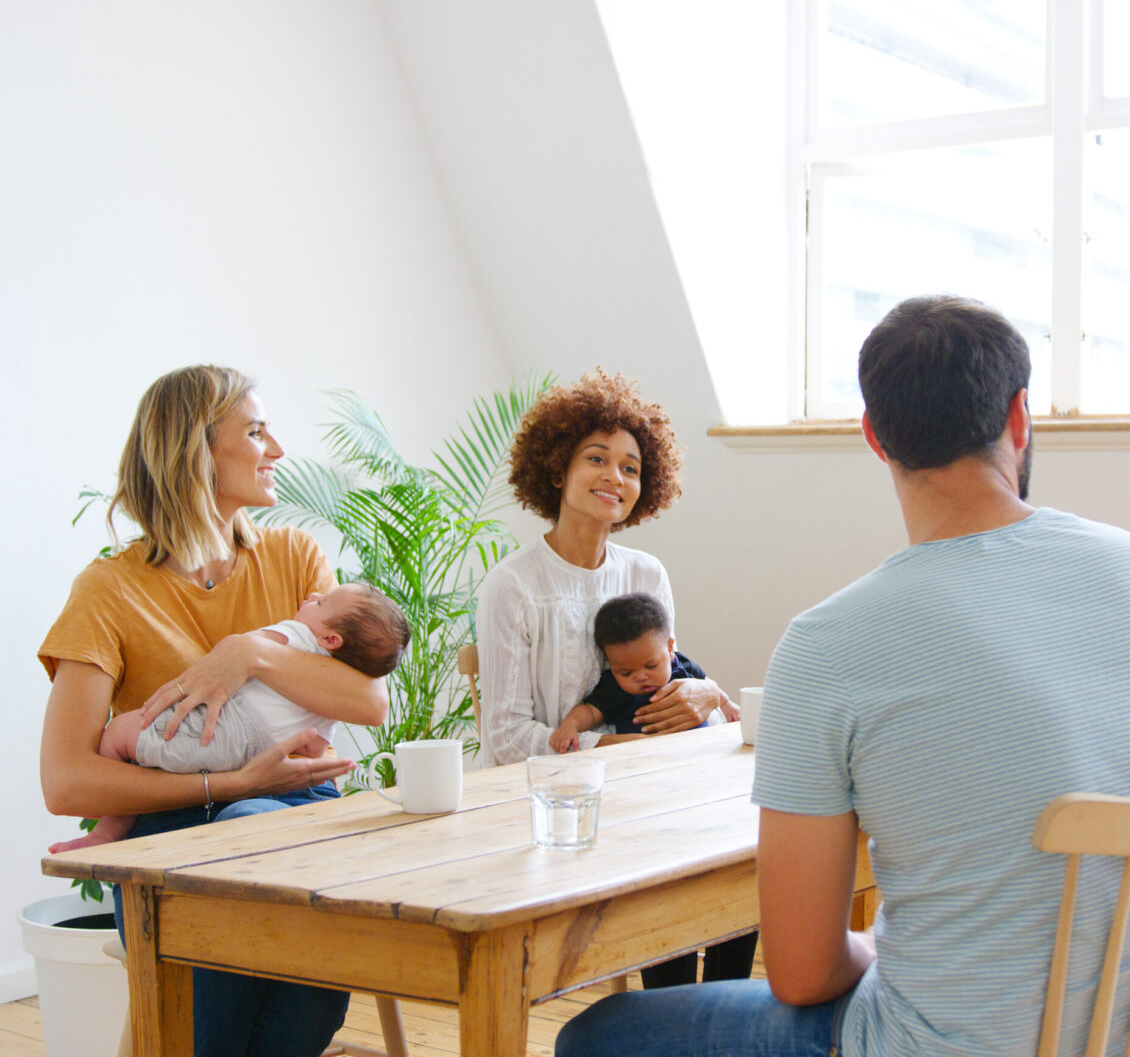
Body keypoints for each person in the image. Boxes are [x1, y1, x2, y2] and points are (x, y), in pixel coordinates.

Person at [555, 295, 1130, 1057]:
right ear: (1019, 418)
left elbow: (804, 973)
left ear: (875, 435)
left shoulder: (826, 643)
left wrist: (878, 949)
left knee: (597, 1036)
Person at [38, 365, 389, 1057]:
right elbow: (67, 781)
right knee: (232, 853)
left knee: (301, 1020)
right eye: (255, 431)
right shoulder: (108, 589)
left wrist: (246, 655)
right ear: (194, 451)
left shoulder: (294, 556)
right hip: (175, 841)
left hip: (295, 813)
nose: (278, 450)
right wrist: (229, 785)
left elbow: (367, 699)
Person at [475, 369, 753, 988]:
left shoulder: (646, 573)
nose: (615, 478)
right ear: (556, 469)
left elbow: (666, 673)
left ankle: (719, 1012)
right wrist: (611, 751)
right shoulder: (513, 585)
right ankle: (673, 1013)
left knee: (745, 843)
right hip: (558, 804)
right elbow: (503, 738)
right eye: (597, 459)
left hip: (654, 788)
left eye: (630, 467)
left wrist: (706, 692)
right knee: (676, 853)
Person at [50, 582, 409, 853]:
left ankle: (105, 834)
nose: (313, 595)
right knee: (250, 823)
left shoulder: (296, 628)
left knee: (120, 734)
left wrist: (247, 650)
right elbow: (314, 748)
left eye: (321, 602)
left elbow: (373, 705)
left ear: (332, 639)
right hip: (261, 764)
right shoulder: (329, 681)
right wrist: (239, 782)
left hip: (220, 736)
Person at [549, 592, 709, 754]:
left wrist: (726, 705)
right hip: (644, 760)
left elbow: (708, 688)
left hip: (698, 752)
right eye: (625, 673)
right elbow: (590, 711)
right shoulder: (615, 688)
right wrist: (570, 724)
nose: (640, 677)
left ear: (669, 648)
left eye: (651, 666)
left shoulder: (682, 666)